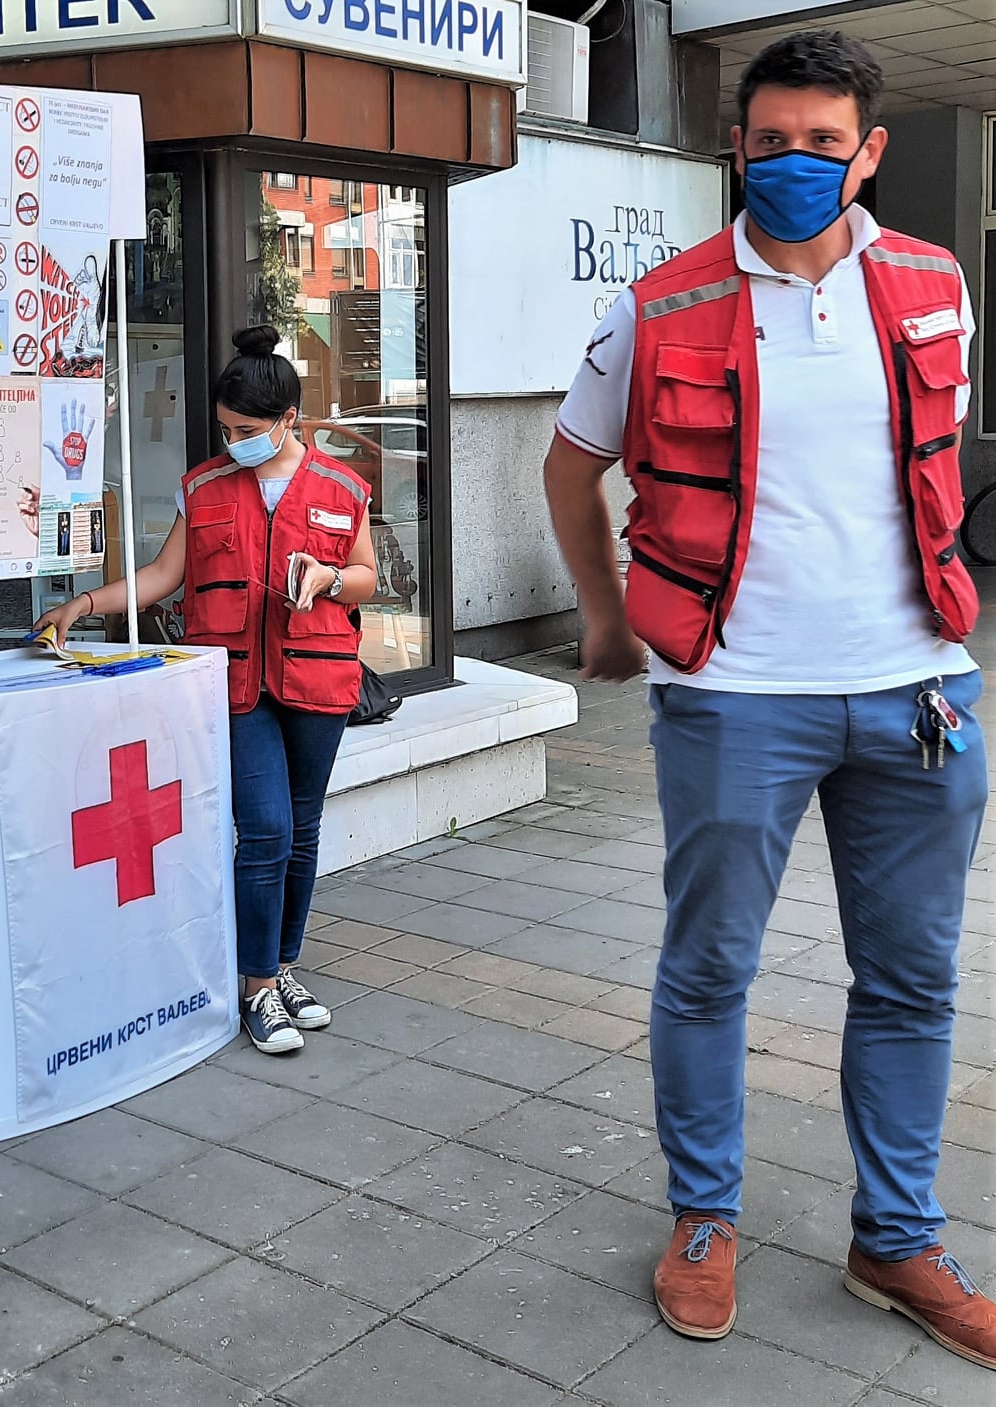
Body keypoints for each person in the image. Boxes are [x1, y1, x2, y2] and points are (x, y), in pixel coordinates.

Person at [543, 31, 995, 1369]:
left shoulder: (933, 282)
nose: (793, 161)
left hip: (916, 690)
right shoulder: (658, 304)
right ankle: (702, 1217)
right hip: (732, 693)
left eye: (822, 142)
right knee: (708, 971)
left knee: (911, 978)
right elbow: (568, 469)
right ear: (734, 147)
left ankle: (896, 1239)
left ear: (867, 151)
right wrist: (605, 618)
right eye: (770, 140)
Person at [36, 325, 380, 1055]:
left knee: (303, 829)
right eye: (226, 430)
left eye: (247, 431)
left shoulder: (342, 487)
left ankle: (282, 966)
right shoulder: (204, 486)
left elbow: (366, 577)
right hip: (235, 685)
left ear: (289, 419)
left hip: (316, 677)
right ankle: (255, 988)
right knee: (266, 828)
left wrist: (327, 579)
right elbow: (165, 576)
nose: (234, 443)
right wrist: (84, 604)